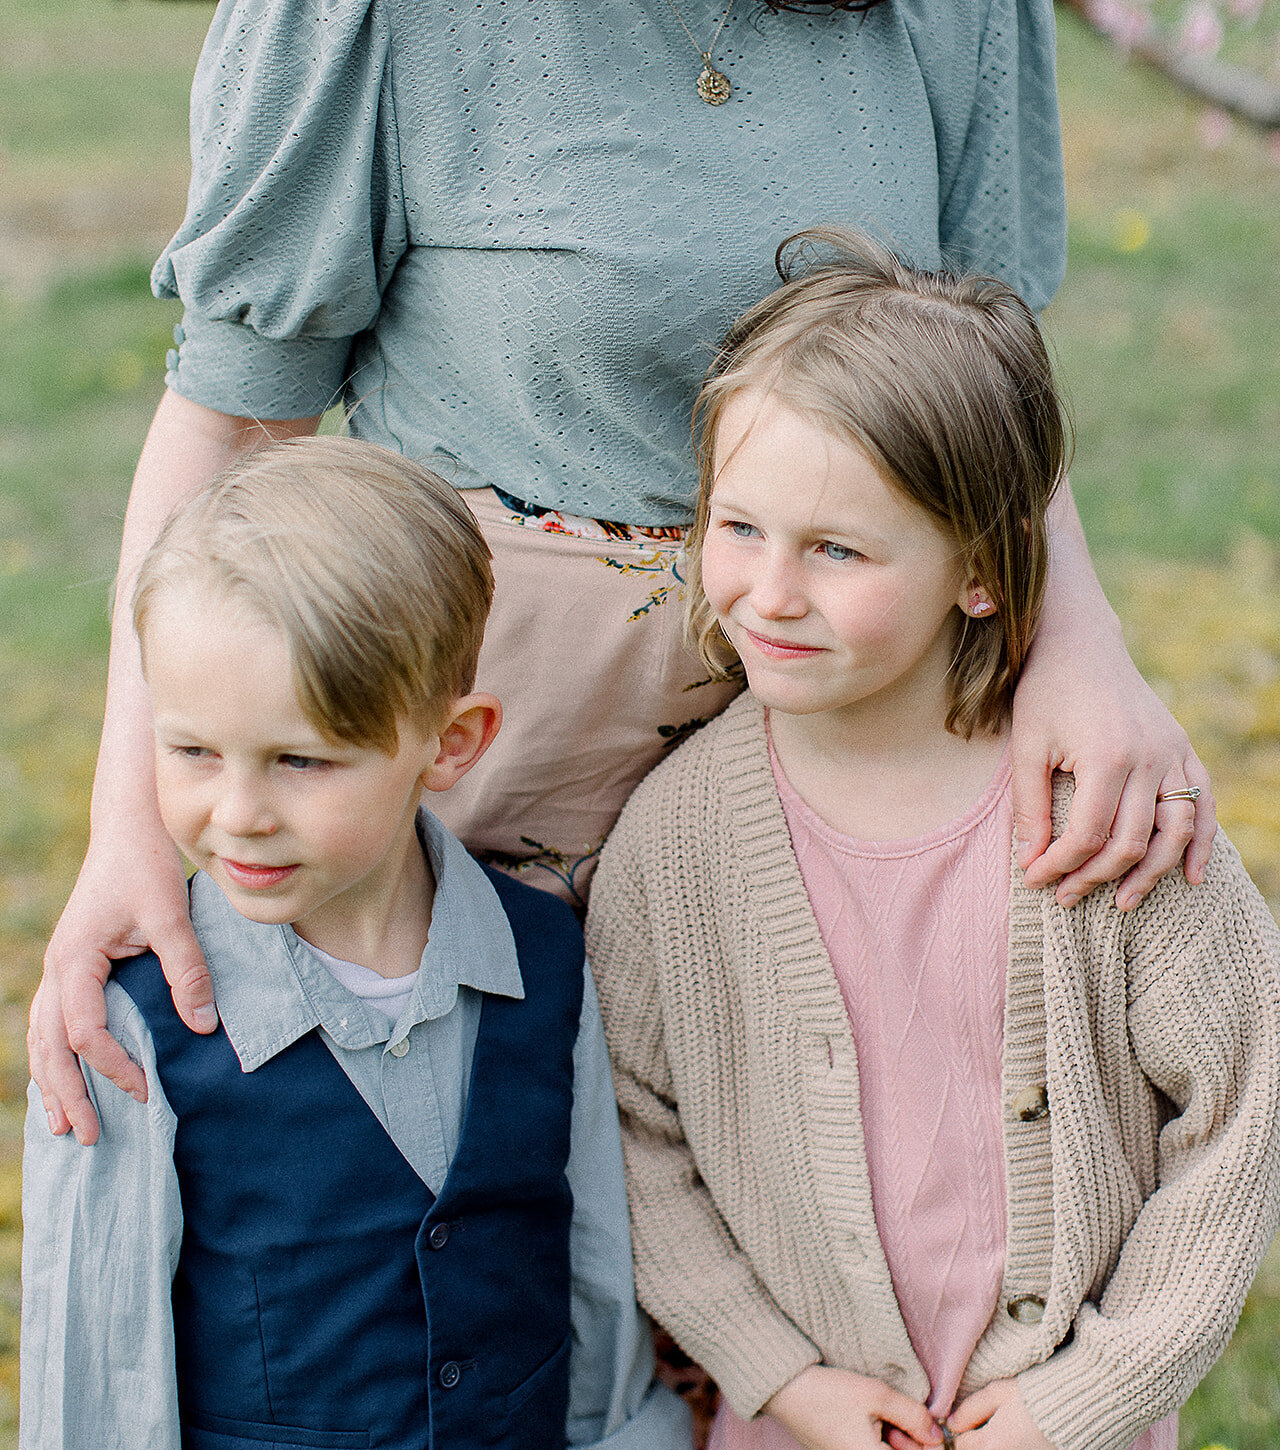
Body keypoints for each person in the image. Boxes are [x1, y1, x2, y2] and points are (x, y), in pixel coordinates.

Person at [29, 0, 1215, 1150]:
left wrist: (1074, 639)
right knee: (495, 1246)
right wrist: (129, 822)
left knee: (816, 1223)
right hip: (499, 761)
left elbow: (978, 372)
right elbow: (236, 422)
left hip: (850, 737)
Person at [584, 233, 1280, 1450]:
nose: (768, 593)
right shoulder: (675, 842)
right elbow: (629, 1132)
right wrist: (776, 1377)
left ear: (982, 569)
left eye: (838, 549)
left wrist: (1100, 1394)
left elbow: (1243, 1111)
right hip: (818, 1446)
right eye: (738, 528)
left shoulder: (1108, 821)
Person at [18, 439, 697, 1450]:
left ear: (449, 744)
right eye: (190, 751)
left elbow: (584, 1244)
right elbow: (103, 1367)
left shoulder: (545, 960)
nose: (238, 814)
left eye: (300, 760)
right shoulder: (133, 1024)